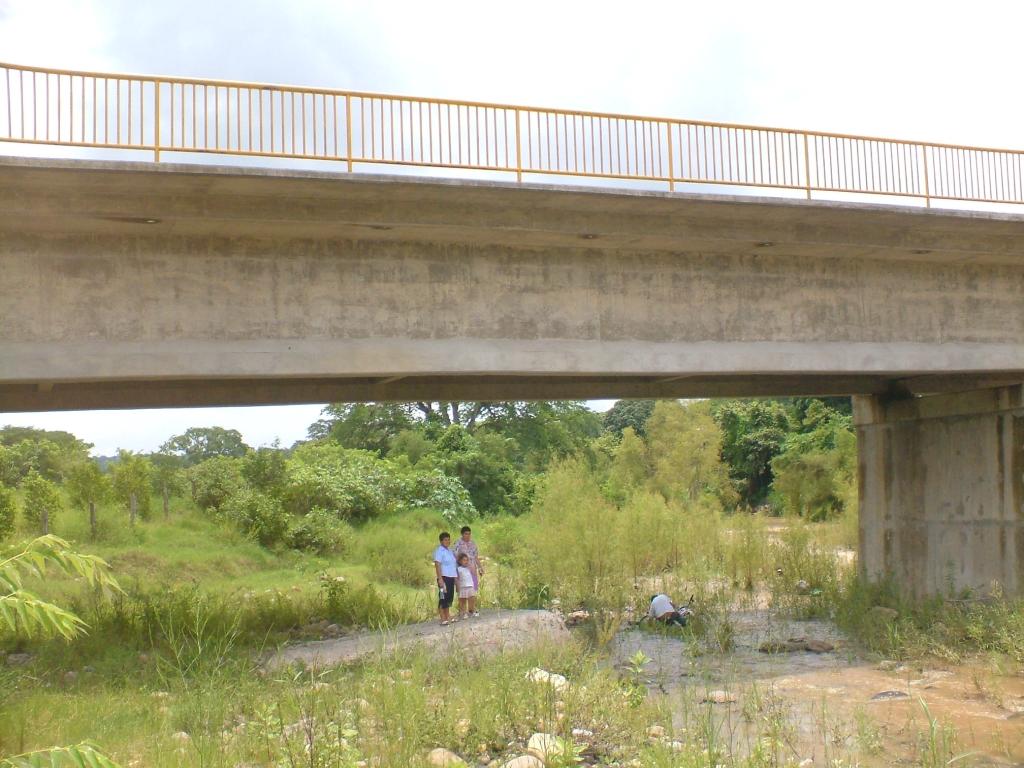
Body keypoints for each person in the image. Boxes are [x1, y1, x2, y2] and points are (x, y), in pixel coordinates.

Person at [453, 525, 483, 617]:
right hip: (462, 570)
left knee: (472, 590)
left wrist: (480, 567)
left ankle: (472, 609)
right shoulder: (458, 543)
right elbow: (455, 556)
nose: (468, 536)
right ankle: (462, 611)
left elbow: (476, 557)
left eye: (469, 534)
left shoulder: (473, 543)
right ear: (462, 534)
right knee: (463, 591)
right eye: (466, 534)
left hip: (472, 569)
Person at [433, 532, 457, 626]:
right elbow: (437, 564)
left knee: (449, 597)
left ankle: (448, 616)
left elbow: (452, 565)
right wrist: (440, 579)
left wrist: (455, 578)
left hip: (451, 577)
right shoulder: (439, 551)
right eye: (445, 540)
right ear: (441, 541)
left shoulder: (450, 551)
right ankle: (442, 618)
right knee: (443, 596)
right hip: (443, 577)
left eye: (448, 539)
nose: (447, 541)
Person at [456, 552, 477, 620]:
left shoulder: (469, 568)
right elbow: (457, 578)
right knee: (463, 600)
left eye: (467, 560)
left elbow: (474, 572)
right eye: (464, 560)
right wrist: (457, 586)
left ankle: (472, 610)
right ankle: (464, 613)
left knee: (472, 599)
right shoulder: (459, 569)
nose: (466, 562)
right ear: (460, 561)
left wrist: (471, 565)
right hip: (463, 586)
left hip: (470, 585)